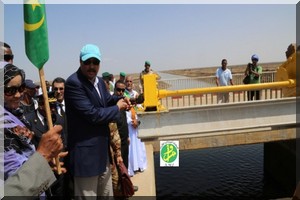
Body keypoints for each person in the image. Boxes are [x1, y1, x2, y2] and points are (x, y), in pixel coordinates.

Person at [64, 44, 130, 198]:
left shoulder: (99, 82)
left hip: (102, 154)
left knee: (107, 195)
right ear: (80, 62)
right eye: (88, 62)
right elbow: (93, 114)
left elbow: (107, 100)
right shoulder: (74, 83)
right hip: (86, 159)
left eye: (95, 62)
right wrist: (117, 108)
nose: (91, 66)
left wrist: (121, 99)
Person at [1, 63, 67, 198]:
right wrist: (43, 156)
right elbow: (13, 190)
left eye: (21, 88)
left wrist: (44, 164)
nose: (18, 94)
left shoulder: (16, 116)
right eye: (10, 90)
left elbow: (27, 158)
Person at [126, 99, 147, 177]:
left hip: (137, 132)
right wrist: (132, 122)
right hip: (130, 133)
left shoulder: (138, 107)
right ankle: (133, 168)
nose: (132, 103)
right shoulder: (125, 110)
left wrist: (138, 122)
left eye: (134, 102)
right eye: (131, 102)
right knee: (132, 150)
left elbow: (142, 117)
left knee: (139, 149)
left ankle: (140, 166)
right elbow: (126, 119)